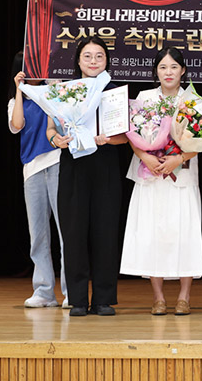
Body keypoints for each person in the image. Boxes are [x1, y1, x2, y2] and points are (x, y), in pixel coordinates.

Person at [47, 35, 128, 317]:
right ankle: (78, 299)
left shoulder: (114, 92)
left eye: (99, 56)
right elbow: (50, 130)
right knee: (74, 233)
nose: (94, 61)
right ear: (78, 61)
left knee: (106, 232)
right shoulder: (65, 90)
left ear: (107, 61)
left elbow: (125, 137)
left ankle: (104, 299)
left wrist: (109, 139)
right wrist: (56, 140)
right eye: (88, 56)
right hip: (74, 166)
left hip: (106, 165)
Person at [120, 47, 202, 316]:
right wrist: (145, 156)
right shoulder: (144, 98)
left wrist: (178, 159)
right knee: (151, 233)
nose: (168, 72)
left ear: (183, 71)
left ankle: (184, 296)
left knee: (185, 233)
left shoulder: (192, 100)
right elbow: (132, 134)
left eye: (174, 67)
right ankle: (157, 297)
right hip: (151, 174)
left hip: (182, 174)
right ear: (156, 71)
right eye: (163, 67)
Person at [8, 52, 69, 308]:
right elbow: (16, 125)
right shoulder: (16, 101)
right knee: (38, 234)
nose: (33, 70)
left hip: (57, 162)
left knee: (66, 231)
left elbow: (63, 116)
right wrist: (19, 89)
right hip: (32, 169)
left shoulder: (53, 89)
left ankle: (71, 291)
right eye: (27, 66)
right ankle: (44, 291)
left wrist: (53, 85)